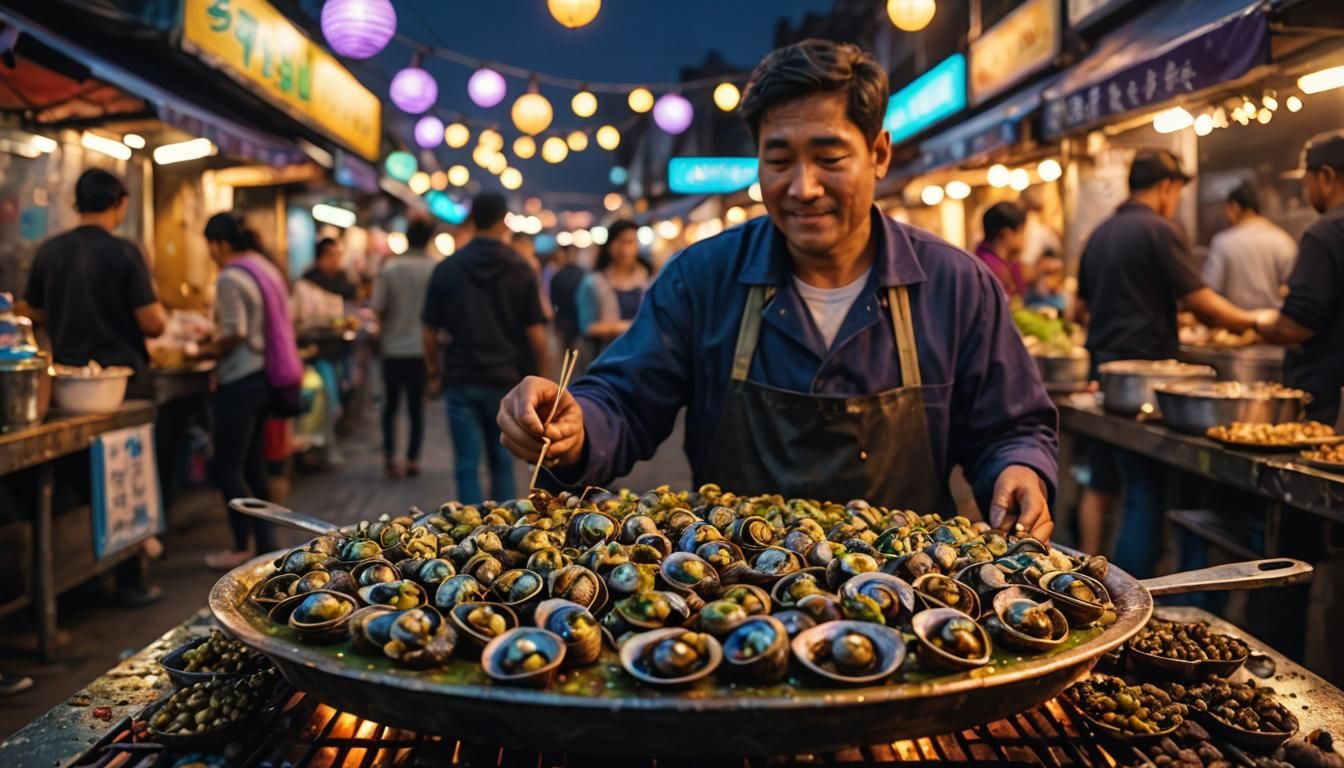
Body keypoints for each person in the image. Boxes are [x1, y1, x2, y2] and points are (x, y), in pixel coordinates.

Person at [497, 40, 1057, 539]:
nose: (803, 187)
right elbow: (623, 399)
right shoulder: (702, 279)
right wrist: (576, 426)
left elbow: (1011, 426)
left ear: (879, 154)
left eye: (830, 158)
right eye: (779, 160)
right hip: (735, 599)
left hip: (908, 604)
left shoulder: (956, 286)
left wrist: (1020, 467)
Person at [1075, 150, 1259, 576]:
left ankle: (1082, 581)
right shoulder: (1160, 229)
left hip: (1101, 381)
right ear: (1166, 187)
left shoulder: (1100, 233)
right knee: (1143, 495)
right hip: (1143, 387)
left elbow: (1078, 310)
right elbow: (1204, 304)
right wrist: (1256, 321)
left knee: (1100, 483)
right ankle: (1129, 594)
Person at [422, 193, 550, 504]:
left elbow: (428, 330)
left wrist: (434, 372)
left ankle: (470, 537)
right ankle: (501, 532)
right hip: (506, 380)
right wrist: (545, 381)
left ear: (472, 221)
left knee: (466, 464)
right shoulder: (520, 269)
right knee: (502, 462)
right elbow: (537, 335)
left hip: (460, 377)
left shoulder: (448, 268)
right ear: (504, 220)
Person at [203, 213, 300, 570]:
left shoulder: (231, 275)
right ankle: (266, 543)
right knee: (253, 463)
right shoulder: (265, 267)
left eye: (210, 246)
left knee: (226, 465)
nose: (211, 254)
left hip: (240, 379)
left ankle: (241, 545)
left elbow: (234, 331)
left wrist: (206, 347)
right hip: (264, 378)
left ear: (220, 244)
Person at [22, 169, 167, 396]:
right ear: (120, 202)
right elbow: (153, 324)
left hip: (65, 383)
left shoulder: (49, 250)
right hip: (120, 386)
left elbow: (29, 312)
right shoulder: (126, 252)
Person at [1255, 130, 1344, 425]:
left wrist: (1257, 321)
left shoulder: (1325, 233)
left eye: (1307, 179)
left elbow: (1297, 327)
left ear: (1327, 177)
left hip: (1327, 403)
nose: (1305, 189)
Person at [371, 218, 436, 478]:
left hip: (392, 349)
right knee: (415, 408)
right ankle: (412, 459)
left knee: (390, 407)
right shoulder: (435, 269)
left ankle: (389, 457)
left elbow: (377, 309)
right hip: (420, 351)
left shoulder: (390, 269)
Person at [1203, 181, 1297, 310]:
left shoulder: (1222, 242)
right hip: (1273, 322)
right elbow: (1296, 287)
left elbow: (1210, 289)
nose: (1226, 216)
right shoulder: (1282, 239)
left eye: (1227, 210)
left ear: (1235, 207)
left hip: (1233, 323)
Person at [576, 220, 651, 357]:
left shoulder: (647, 279)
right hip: (607, 356)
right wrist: (624, 327)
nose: (626, 250)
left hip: (643, 354)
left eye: (631, 242)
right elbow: (587, 327)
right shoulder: (593, 282)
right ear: (609, 245)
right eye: (620, 242)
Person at [292, 238, 352, 330]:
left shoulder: (346, 280)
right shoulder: (307, 281)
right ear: (319, 257)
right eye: (331, 255)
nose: (335, 259)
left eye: (338, 255)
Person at [974, 201, 1028, 301]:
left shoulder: (1003, 261)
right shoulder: (991, 267)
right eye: (1022, 231)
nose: (1026, 238)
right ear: (1007, 234)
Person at [550, 244, 586, 351]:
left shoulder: (557, 275)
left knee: (566, 353)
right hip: (580, 320)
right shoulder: (583, 274)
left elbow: (553, 301)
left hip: (563, 320)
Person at [1025, 250, 1068, 315]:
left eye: (1051, 273)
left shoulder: (1060, 299)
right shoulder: (1032, 290)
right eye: (1045, 273)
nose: (1047, 279)